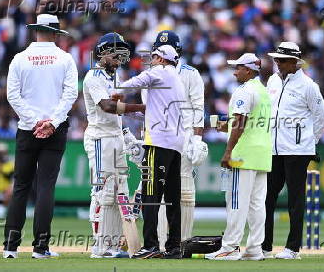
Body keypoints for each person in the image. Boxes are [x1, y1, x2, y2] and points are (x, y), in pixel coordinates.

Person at [3, 14, 78, 259]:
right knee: (45, 187)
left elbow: (12, 96)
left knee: (21, 187)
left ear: (36, 31)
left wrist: (33, 121)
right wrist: (51, 123)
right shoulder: (65, 58)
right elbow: (70, 95)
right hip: (54, 131)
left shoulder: (20, 58)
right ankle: (40, 247)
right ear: (55, 34)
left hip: (27, 129)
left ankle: (10, 247)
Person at [111, 45, 186, 259]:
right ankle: (173, 247)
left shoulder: (159, 72)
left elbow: (137, 82)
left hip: (158, 142)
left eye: (154, 57)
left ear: (161, 59)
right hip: (175, 144)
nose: (151, 60)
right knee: (172, 197)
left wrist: (117, 92)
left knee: (150, 195)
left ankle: (151, 245)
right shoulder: (177, 79)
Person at [83, 32, 145, 258]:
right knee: (102, 191)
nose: (119, 57)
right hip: (100, 138)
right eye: (115, 52)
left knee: (120, 191)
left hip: (115, 137)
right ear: (103, 52)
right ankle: (99, 247)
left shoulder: (113, 77)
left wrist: (126, 134)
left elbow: (116, 112)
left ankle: (114, 245)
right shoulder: (93, 76)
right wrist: (140, 108)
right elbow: (107, 107)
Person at [263, 42, 324, 259]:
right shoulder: (272, 80)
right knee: (266, 197)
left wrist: (309, 142)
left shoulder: (309, 85)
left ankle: (292, 249)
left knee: (295, 200)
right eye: (276, 59)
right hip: (273, 148)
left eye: (281, 60)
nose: (277, 63)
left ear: (294, 62)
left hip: (298, 151)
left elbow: (321, 117)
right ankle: (265, 246)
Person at [205, 53, 272, 261]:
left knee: (235, 202)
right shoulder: (263, 90)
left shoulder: (245, 91)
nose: (235, 72)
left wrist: (228, 152)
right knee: (257, 205)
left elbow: (241, 123)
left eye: (239, 68)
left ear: (249, 70)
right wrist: (227, 127)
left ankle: (230, 247)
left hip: (242, 155)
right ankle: (254, 249)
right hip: (261, 154)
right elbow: (248, 124)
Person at [151, 31, 207, 251]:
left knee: (184, 191)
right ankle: (159, 243)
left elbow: (198, 106)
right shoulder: (152, 73)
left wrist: (197, 138)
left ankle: (181, 243)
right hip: (159, 137)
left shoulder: (191, 74)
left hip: (183, 138)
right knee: (156, 190)